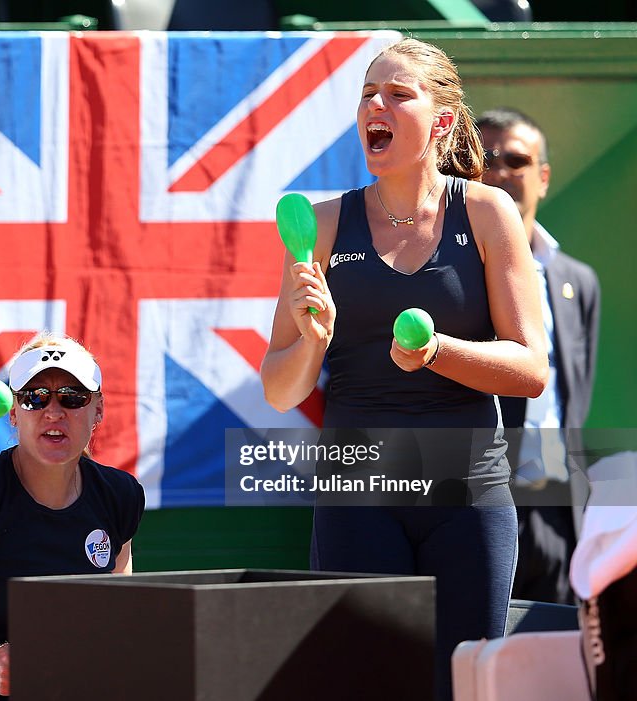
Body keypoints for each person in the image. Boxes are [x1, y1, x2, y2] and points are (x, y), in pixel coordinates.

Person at [261, 38, 548, 700]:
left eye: (397, 94)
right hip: (357, 499)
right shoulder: (325, 223)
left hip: (468, 500)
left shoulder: (486, 212)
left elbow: (531, 366)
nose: (375, 106)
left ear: (442, 122)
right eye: (367, 94)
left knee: (465, 688)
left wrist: (436, 352)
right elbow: (281, 389)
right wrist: (310, 340)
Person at [0, 333, 145, 700]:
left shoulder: (120, 496)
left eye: (72, 397)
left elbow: (118, 619)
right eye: (34, 397)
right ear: (14, 413)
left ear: (98, 409)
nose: (53, 411)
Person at [478, 108, 601, 605]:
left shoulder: (577, 281)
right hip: (477, 504)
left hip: (555, 513)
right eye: (485, 159)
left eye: (515, 159)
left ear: (543, 177)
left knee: (548, 662)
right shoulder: (453, 270)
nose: (500, 171)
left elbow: (575, 395)